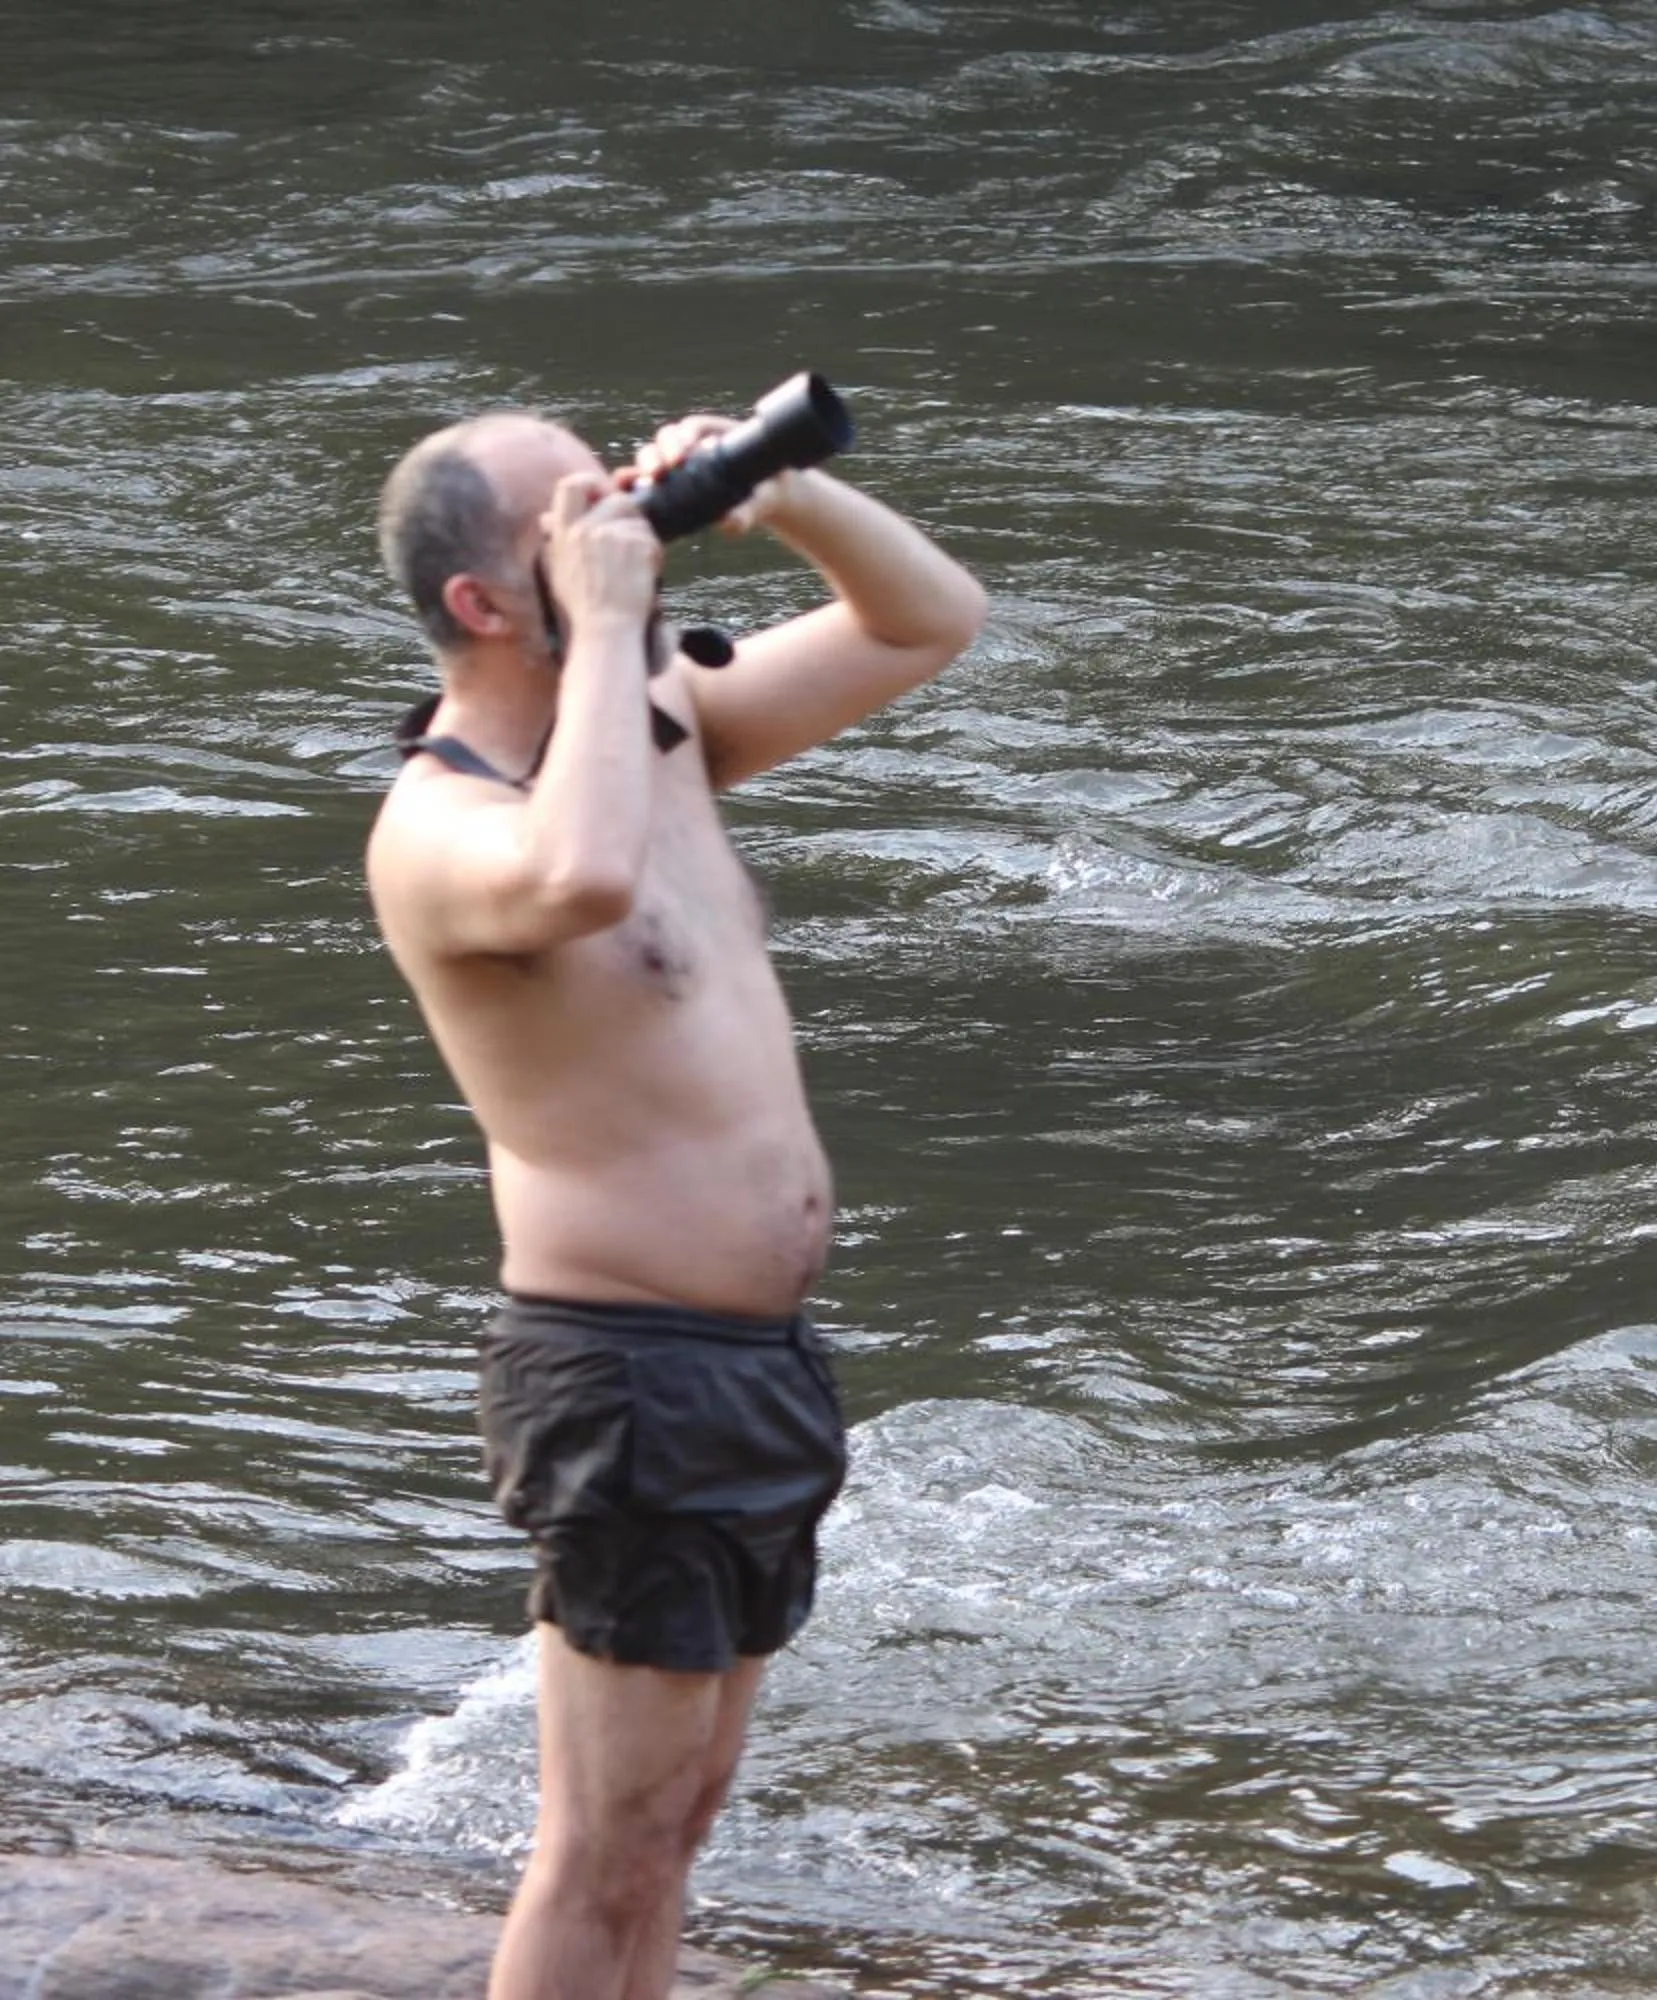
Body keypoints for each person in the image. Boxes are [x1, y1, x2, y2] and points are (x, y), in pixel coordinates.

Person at [364, 397, 986, 2000]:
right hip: (625, 1378)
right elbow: (576, 878)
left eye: (616, 499)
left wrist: (784, 498)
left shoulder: (662, 726)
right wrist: (615, 616)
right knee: (603, 1847)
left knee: (677, 1827)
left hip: (755, 1371)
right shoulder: (442, 827)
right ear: (481, 603)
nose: (619, 535)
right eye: (571, 526)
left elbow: (927, 621)